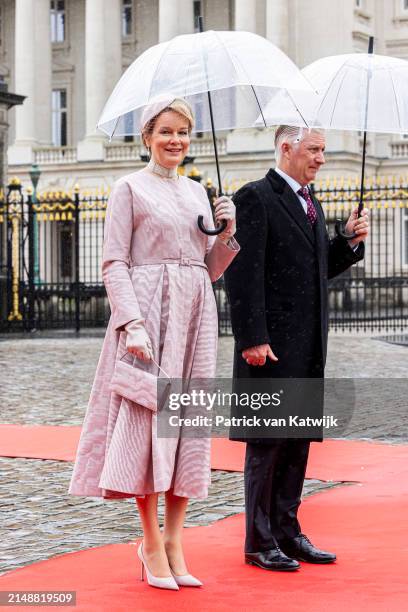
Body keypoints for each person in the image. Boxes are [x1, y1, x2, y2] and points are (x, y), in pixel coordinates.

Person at [68, 95, 239, 590]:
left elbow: (208, 269)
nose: (175, 141)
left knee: (187, 425)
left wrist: (227, 234)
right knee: (147, 422)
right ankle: (148, 540)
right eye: (165, 131)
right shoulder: (128, 188)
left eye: (183, 133)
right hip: (147, 314)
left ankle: (175, 539)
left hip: (194, 316)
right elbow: (113, 262)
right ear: (147, 136)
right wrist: (132, 323)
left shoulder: (197, 193)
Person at [224, 125, 369, 572]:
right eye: (314, 149)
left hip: (306, 346)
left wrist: (345, 242)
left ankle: (288, 531)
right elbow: (241, 273)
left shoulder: (309, 200)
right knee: (267, 444)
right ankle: (259, 540)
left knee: (298, 442)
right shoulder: (255, 196)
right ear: (286, 149)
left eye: (323, 150)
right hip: (269, 347)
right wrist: (251, 337)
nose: (321, 158)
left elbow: (311, 269)